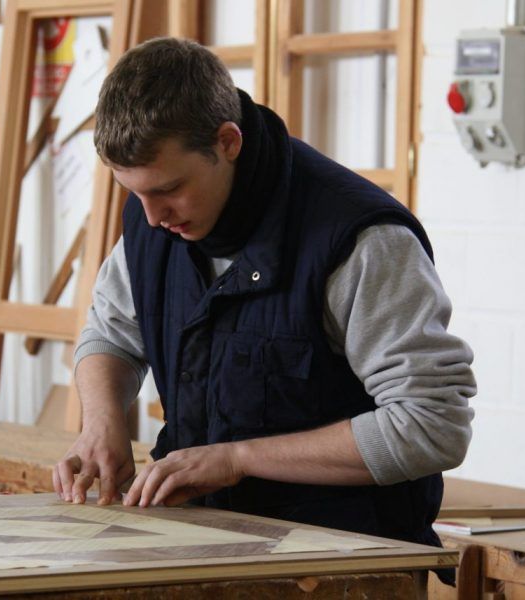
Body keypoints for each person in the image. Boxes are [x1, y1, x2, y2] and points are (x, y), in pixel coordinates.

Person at [54, 37, 475, 551]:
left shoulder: (355, 240)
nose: (150, 216)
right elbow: (113, 335)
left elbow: (432, 424)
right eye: (133, 192)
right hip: (197, 540)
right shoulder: (156, 223)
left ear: (228, 142)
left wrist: (236, 459)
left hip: (341, 558)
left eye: (167, 189)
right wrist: (101, 424)